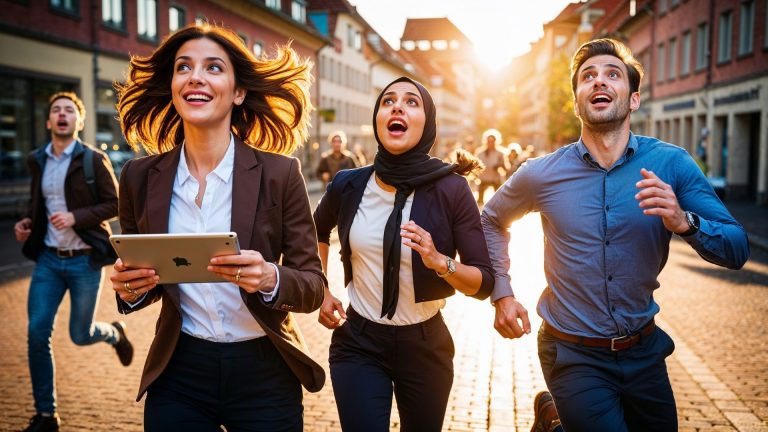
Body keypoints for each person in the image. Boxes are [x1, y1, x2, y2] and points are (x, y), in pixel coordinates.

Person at [481, 38, 750, 432]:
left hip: (644, 351)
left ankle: (555, 423)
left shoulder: (670, 164)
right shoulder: (541, 173)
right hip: (572, 351)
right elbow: (490, 219)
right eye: (587, 77)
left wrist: (683, 221)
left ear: (634, 99)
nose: (598, 82)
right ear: (577, 103)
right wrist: (501, 292)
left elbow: (737, 247)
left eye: (612, 74)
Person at [111, 23, 326, 431]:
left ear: (238, 91)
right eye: (183, 67)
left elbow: (312, 285)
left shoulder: (281, 174)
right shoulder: (138, 177)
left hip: (264, 371)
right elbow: (149, 282)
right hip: (180, 371)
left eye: (213, 68)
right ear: (173, 86)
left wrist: (269, 277)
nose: (195, 76)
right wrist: (131, 288)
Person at [313, 76, 494, 432]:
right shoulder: (348, 184)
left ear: (427, 123)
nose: (397, 106)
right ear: (378, 118)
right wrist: (321, 289)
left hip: (425, 345)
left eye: (412, 102)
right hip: (359, 341)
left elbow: (483, 282)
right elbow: (313, 231)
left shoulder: (452, 188)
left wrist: (440, 262)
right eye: (388, 101)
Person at [13, 92, 133, 432]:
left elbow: (116, 204)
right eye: (56, 110)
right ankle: (46, 415)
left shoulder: (93, 160)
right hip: (49, 261)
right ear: (49, 121)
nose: (62, 115)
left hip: (85, 260)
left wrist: (75, 217)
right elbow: (40, 202)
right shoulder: (38, 160)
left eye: (69, 110)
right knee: (37, 333)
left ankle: (114, 333)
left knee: (80, 334)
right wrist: (27, 222)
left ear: (79, 121)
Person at [474, 128, 509, 206]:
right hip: (483, 179)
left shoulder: (500, 153)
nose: (490, 143)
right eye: (489, 141)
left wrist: (500, 165)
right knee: (479, 202)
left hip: (495, 179)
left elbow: (506, 168)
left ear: (496, 142)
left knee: (498, 201)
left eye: (492, 141)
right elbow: (475, 167)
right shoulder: (480, 152)